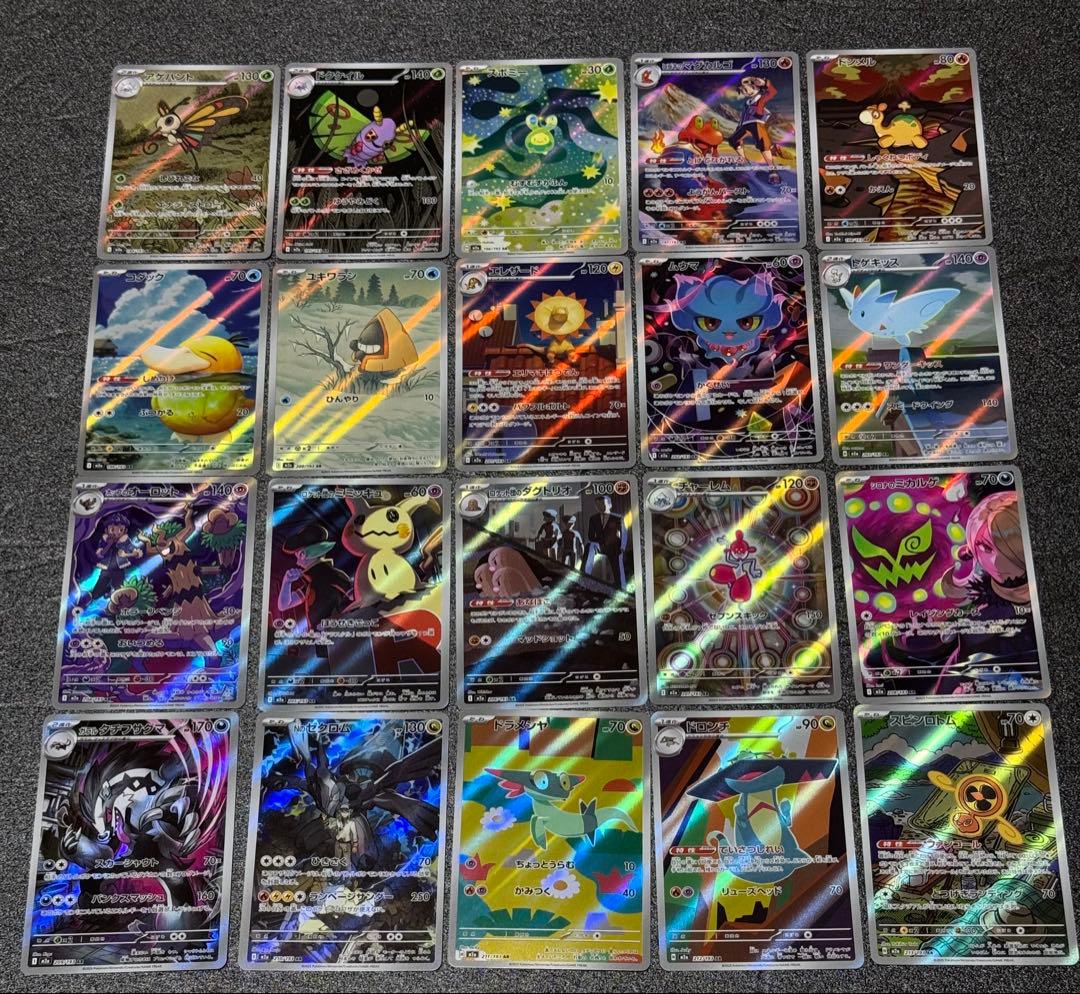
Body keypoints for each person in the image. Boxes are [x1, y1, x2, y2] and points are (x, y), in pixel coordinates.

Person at [584, 495, 627, 586]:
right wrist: (601, 541)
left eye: (603, 504)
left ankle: (622, 587)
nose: (600, 507)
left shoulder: (618, 518)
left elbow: (624, 534)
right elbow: (591, 536)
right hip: (601, 545)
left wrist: (622, 547)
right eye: (598, 505)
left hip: (614, 548)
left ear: (610, 505)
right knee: (590, 545)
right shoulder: (593, 519)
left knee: (618, 569)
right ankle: (584, 576)